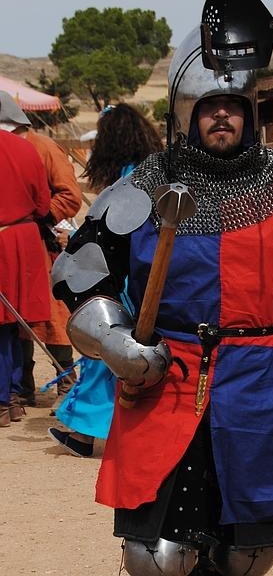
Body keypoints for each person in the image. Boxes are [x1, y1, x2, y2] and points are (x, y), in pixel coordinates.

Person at [51, 0, 273, 575]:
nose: (222, 115)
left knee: (247, 555)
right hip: (166, 380)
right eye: (210, 107)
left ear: (250, 111)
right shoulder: (147, 186)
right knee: (158, 556)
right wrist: (118, 343)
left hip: (263, 385)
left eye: (232, 106)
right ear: (188, 112)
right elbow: (81, 272)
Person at [48, 103, 164, 458]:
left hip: (128, 277)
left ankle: (84, 431)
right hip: (145, 273)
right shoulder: (151, 171)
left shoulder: (129, 179)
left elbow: (114, 231)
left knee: (108, 353)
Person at [0, 90, 82, 408]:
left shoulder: (43, 147)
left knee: (52, 316)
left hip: (42, 241)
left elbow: (70, 195)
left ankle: (66, 383)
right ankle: (23, 388)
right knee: (17, 320)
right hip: (21, 240)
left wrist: (38, 217)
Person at [0, 129, 51, 427]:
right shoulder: (25, 147)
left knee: (3, 326)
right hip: (24, 238)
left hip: (5, 239)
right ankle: (15, 397)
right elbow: (42, 204)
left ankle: (4, 400)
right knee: (16, 324)